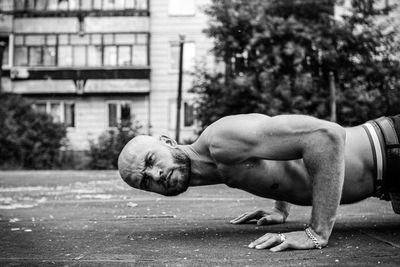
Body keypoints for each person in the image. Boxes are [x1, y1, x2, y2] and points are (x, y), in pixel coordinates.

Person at [117, 113, 400, 252]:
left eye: (152, 161)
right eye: (144, 181)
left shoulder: (221, 141)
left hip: (392, 147)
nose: (155, 176)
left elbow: (326, 136)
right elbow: (285, 153)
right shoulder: (218, 167)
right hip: (389, 178)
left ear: (168, 141)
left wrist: (317, 232)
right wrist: (281, 208)